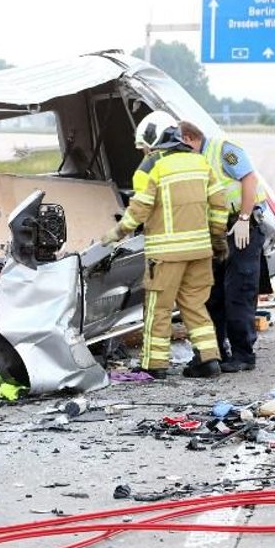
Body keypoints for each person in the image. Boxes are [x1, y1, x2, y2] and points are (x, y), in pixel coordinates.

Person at [102, 112, 228, 379]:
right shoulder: (200, 163)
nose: (145, 152)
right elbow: (220, 205)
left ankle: (155, 365)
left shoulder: (154, 167)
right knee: (195, 305)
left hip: (166, 255)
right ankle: (209, 360)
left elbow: (139, 211)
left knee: (158, 308)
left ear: (155, 138)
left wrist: (114, 234)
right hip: (200, 252)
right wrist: (217, 240)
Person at [179, 121, 266, 373]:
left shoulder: (222, 149)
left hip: (241, 227)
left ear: (189, 138)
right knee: (212, 294)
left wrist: (244, 217)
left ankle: (243, 354)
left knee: (238, 291)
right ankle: (215, 352)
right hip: (215, 231)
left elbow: (248, 177)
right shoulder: (196, 159)